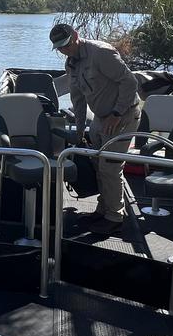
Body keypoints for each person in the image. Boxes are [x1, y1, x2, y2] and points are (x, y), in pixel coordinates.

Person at [49, 23, 141, 234]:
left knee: (110, 166)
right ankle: (103, 208)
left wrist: (116, 114)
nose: (65, 50)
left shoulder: (101, 52)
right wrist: (80, 131)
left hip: (123, 115)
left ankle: (115, 217)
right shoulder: (71, 64)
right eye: (60, 47)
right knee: (98, 164)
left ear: (76, 36)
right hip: (100, 117)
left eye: (67, 44)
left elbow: (130, 82)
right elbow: (78, 99)